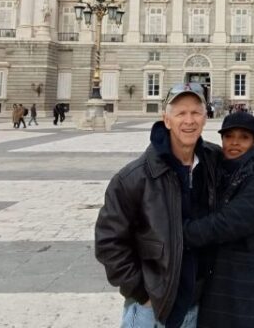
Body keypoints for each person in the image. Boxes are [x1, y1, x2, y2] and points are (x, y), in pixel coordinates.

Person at [95, 82, 222, 328]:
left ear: (205, 119)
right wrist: (143, 293)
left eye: (196, 112)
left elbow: (249, 165)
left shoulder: (214, 162)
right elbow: (108, 242)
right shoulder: (133, 177)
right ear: (166, 120)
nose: (189, 120)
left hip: (200, 305)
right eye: (181, 113)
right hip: (152, 310)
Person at [183, 111, 254, 327]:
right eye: (229, 136)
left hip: (253, 283)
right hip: (221, 281)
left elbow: (227, 223)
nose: (234, 143)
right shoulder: (220, 172)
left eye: (243, 137)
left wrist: (180, 234)